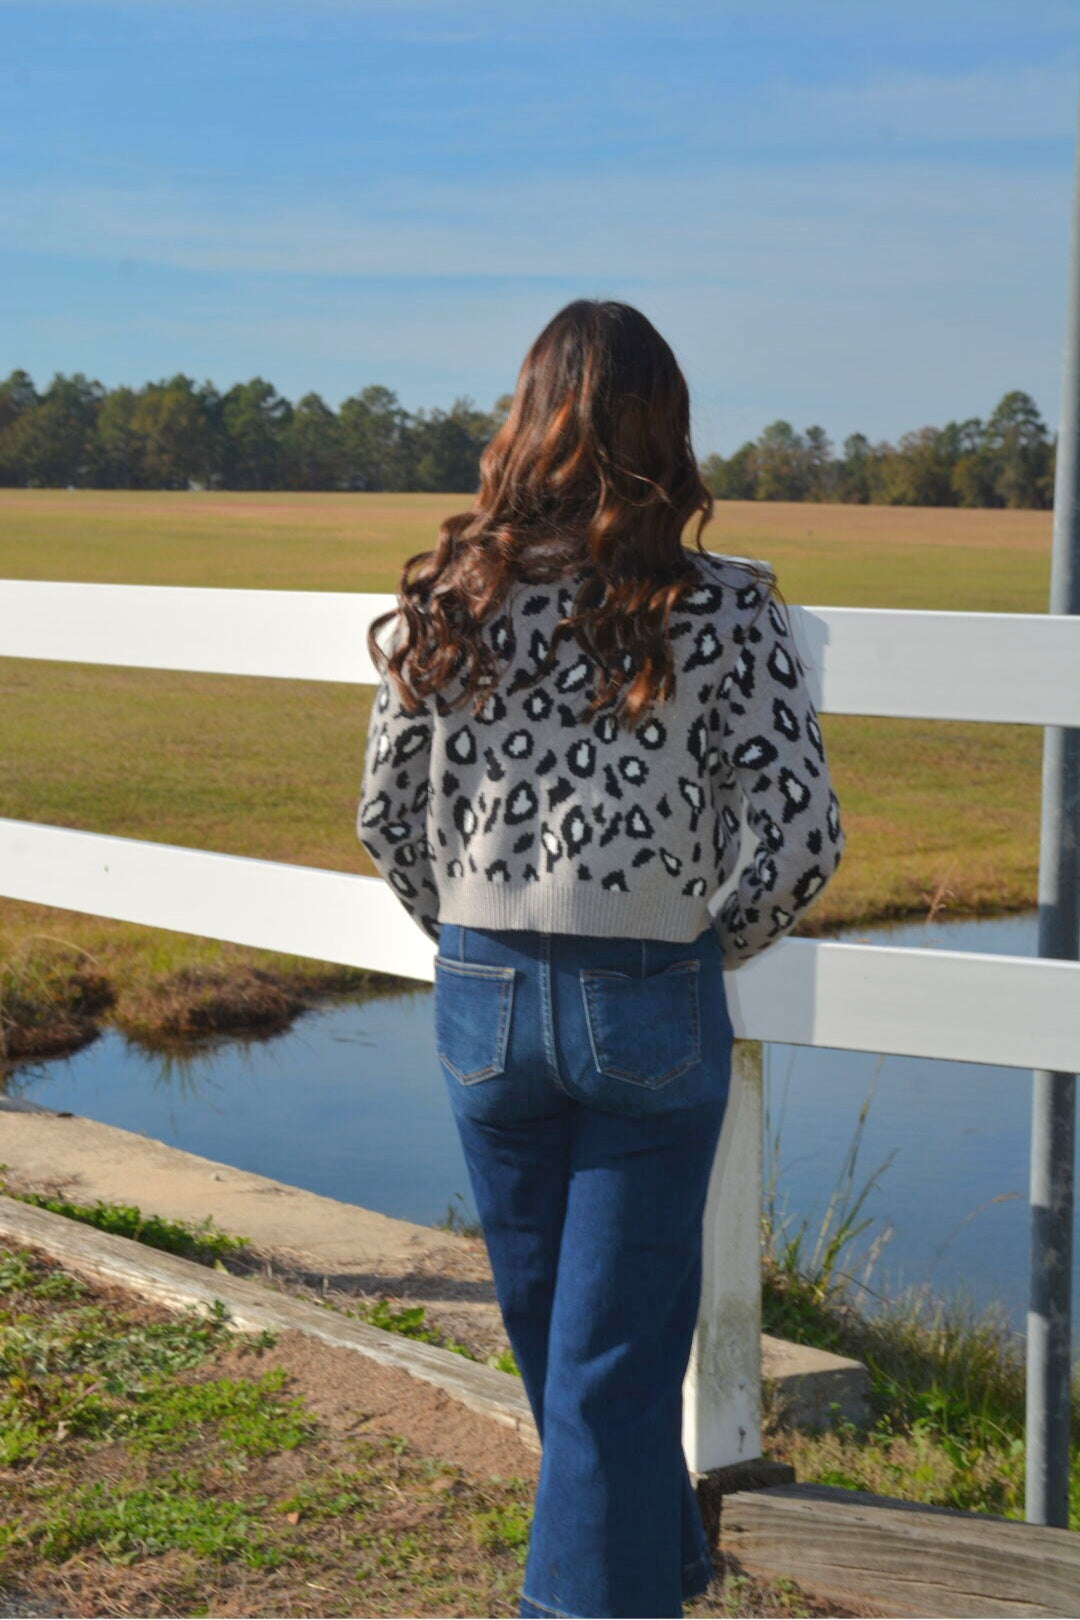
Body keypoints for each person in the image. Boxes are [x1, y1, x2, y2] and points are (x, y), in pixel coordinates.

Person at [356, 299, 845, 1619]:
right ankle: (627, 1587)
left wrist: (468, 934)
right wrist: (695, 947)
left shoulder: (451, 598)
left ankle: (653, 1577)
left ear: (525, 428)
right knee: (604, 1372)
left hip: (482, 994)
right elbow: (801, 834)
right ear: (664, 432)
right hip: (645, 998)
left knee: (572, 1365)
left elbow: (385, 820)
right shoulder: (725, 607)